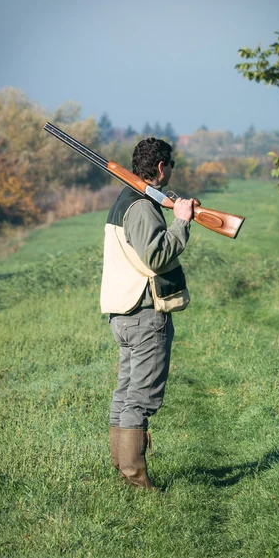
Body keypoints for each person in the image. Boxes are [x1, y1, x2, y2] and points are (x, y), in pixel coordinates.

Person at [100, 137, 194, 489]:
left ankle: (122, 468)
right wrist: (181, 222)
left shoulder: (126, 201)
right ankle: (137, 480)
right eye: (171, 165)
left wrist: (173, 210)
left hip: (123, 313)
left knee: (126, 393)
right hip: (142, 315)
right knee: (139, 399)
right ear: (160, 167)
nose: (171, 171)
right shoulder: (139, 206)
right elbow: (156, 256)